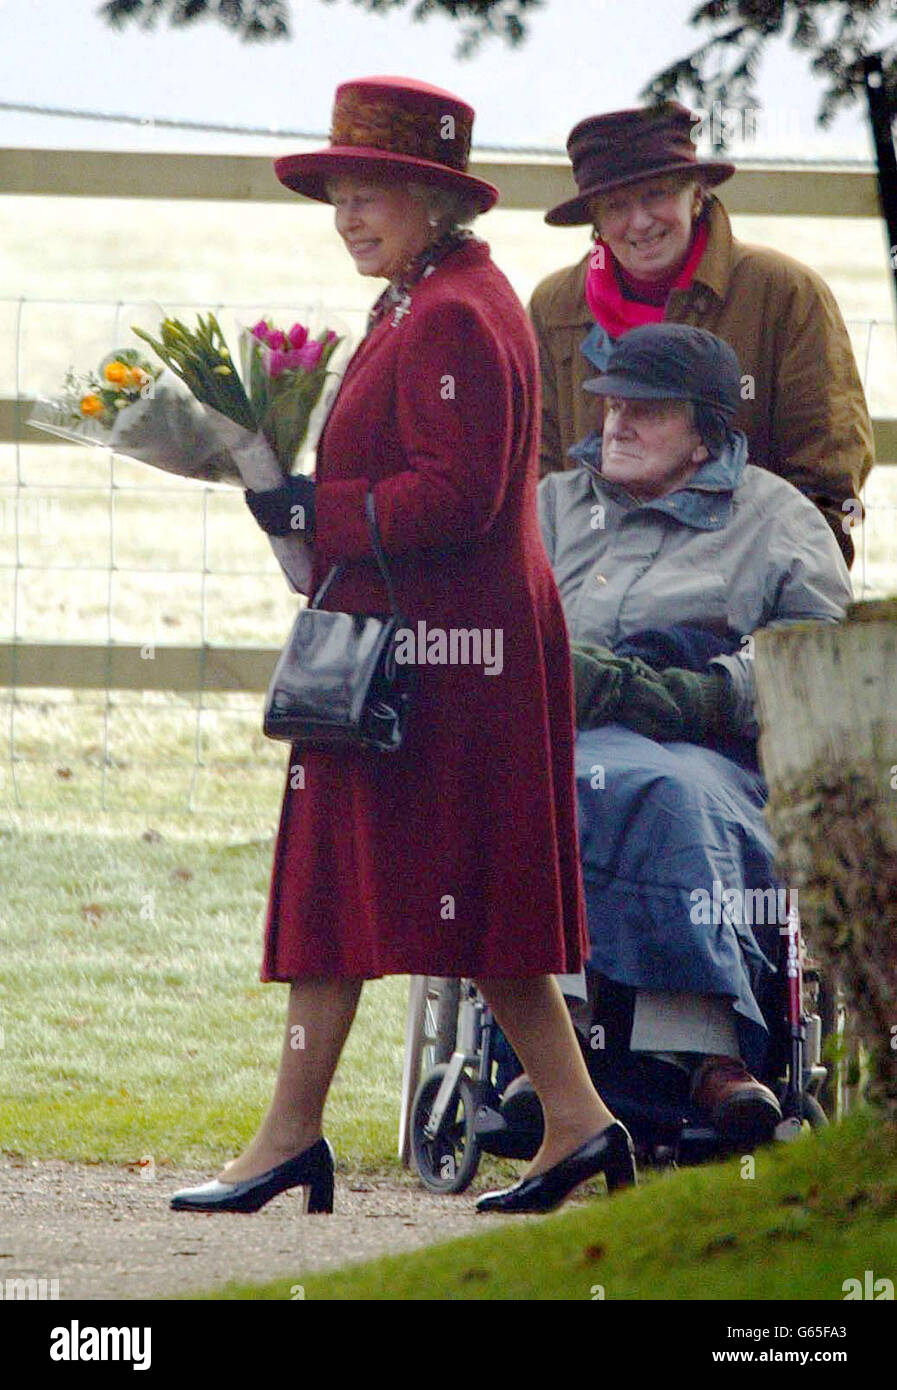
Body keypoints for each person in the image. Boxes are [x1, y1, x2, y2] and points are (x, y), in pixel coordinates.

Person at [170, 75, 636, 1219]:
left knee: (411, 889)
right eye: (338, 195)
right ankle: (569, 1124)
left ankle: (299, 1141)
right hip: (427, 644)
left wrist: (303, 511)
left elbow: (459, 496)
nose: (349, 216)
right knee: (433, 892)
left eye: (372, 192)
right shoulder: (427, 296)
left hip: (438, 656)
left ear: (436, 201)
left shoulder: (453, 314)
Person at [537, 322, 853, 1146]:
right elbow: (486, 622)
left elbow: (810, 658)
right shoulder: (551, 507)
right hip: (560, 736)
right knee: (546, 785)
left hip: (711, 753)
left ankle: (701, 1053)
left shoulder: (776, 519)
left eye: (647, 410)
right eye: (610, 403)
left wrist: (690, 695)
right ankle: (558, 1047)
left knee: (669, 793)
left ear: (708, 429)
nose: (617, 423)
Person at [530, 101, 874, 568]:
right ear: (595, 220)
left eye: (656, 194)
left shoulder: (785, 292)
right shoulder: (555, 307)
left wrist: (771, 592)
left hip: (745, 589)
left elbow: (829, 475)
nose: (640, 222)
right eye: (616, 205)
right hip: (591, 595)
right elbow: (539, 475)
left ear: (696, 195)